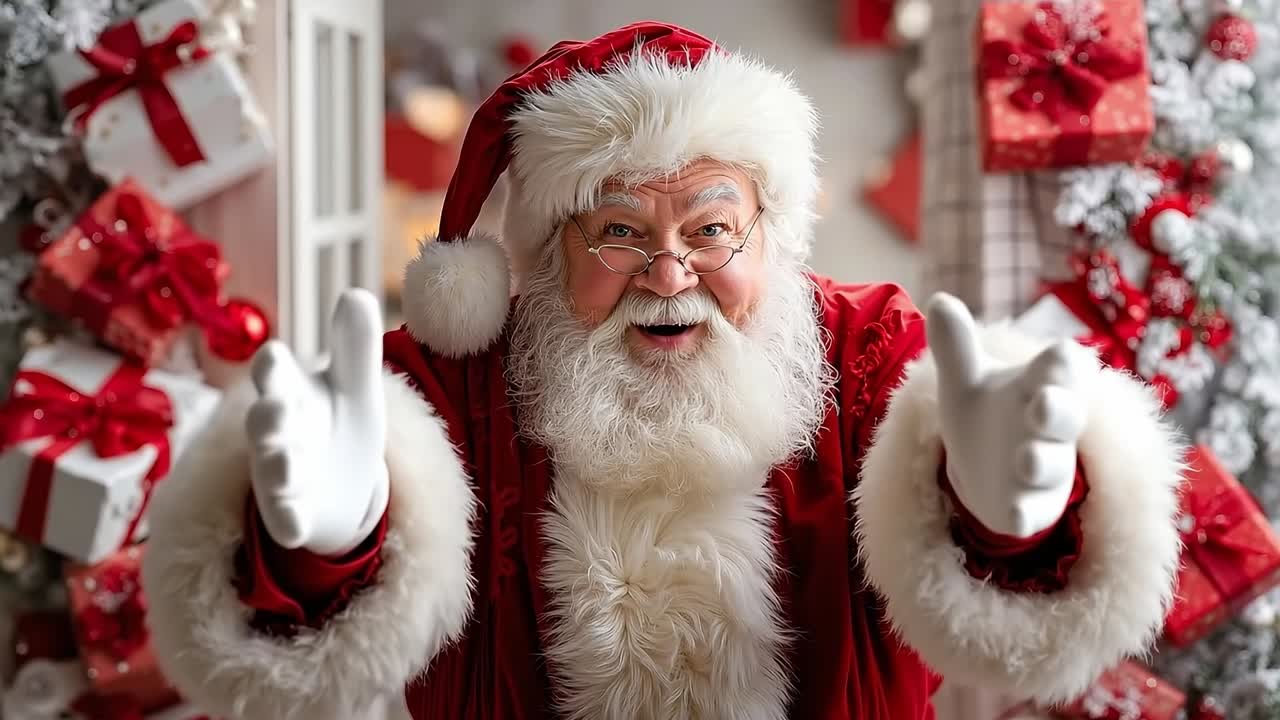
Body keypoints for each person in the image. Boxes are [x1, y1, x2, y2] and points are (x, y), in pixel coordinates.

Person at [140, 22, 1185, 720]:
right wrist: (326, 534)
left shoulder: (873, 359)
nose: (671, 269)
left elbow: (999, 591)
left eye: (711, 226)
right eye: (620, 231)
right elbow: (286, 615)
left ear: (770, 232)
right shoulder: (447, 380)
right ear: (549, 251)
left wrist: (1016, 512)